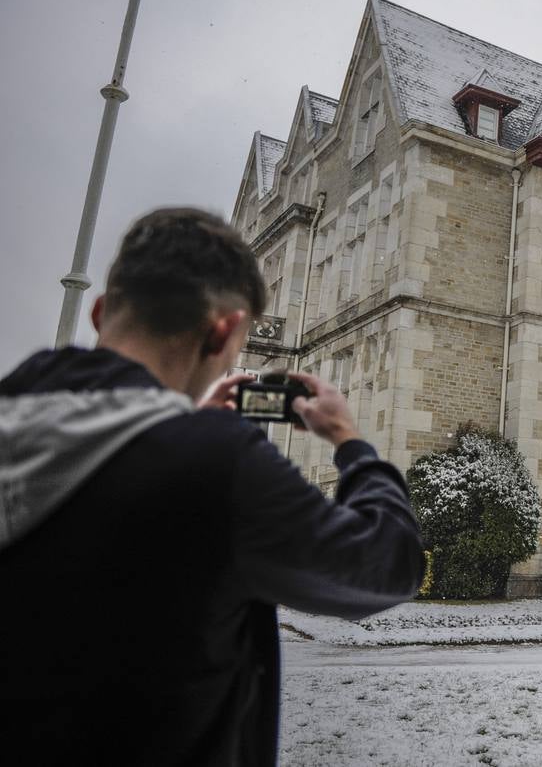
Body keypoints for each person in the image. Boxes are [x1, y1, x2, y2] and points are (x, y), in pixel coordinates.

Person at [0, 208, 424, 765]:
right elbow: (386, 565)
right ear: (224, 332)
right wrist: (349, 441)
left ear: (102, 313)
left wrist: (181, 421)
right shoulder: (217, 466)